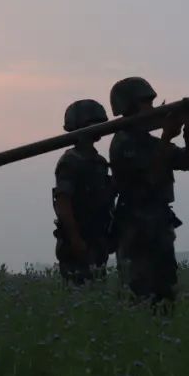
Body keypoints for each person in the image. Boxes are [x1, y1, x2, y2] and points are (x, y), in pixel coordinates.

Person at [107, 77, 189, 305]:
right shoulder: (123, 142)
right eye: (145, 103)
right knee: (138, 292)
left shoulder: (150, 142)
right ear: (129, 106)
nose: (152, 108)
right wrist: (167, 135)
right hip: (135, 226)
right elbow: (150, 178)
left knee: (165, 291)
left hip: (158, 223)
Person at [52, 99, 116, 285]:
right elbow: (63, 202)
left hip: (98, 238)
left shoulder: (99, 161)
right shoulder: (70, 161)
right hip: (79, 239)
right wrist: (75, 238)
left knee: (97, 287)